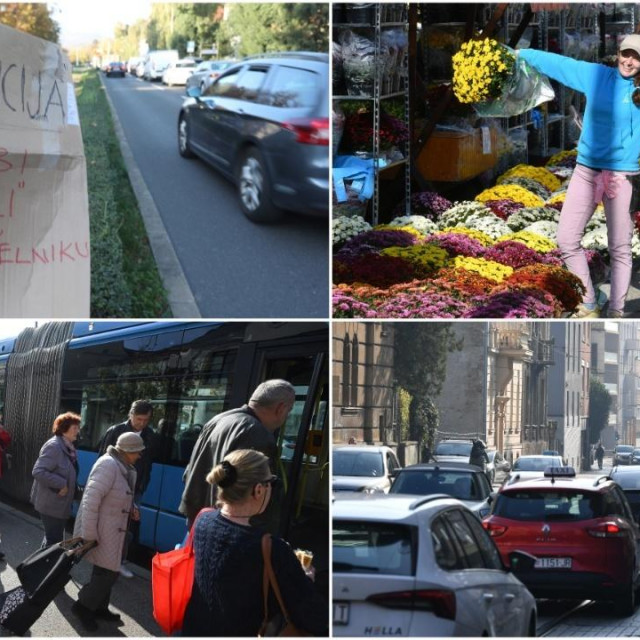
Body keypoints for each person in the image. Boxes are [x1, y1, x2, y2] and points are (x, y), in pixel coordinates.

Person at [518, 35, 640, 318]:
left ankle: (617, 311)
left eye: (636, 57)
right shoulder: (598, 76)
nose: (629, 61)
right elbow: (561, 64)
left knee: (620, 247)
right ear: (618, 54)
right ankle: (588, 304)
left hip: (622, 177)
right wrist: (522, 53)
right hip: (586, 171)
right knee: (566, 240)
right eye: (626, 54)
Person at [182, 449, 327, 637]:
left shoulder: (203, 520)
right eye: (271, 482)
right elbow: (315, 618)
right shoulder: (272, 549)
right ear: (258, 490)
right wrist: (306, 579)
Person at [179, 379, 295, 530]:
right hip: (227, 526)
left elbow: (189, 472)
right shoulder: (258, 434)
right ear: (281, 408)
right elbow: (255, 497)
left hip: (198, 518)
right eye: (289, 410)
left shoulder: (218, 419)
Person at [71, 431, 145, 632]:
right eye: (137, 452)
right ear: (127, 450)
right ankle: (83, 606)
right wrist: (89, 534)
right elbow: (89, 501)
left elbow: (120, 495)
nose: (139, 456)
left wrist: (132, 508)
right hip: (102, 530)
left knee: (107, 570)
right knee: (108, 573)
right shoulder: (108, 465)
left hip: (114, 530)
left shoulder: (122, 465)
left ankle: (99, 607)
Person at [98, 399, 155, 578]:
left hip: (136, 488)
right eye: (139, 419)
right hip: (117, 487)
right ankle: (105, 561)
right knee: (113, 525)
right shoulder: (116, 431)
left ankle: (119, 561)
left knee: (127, 527)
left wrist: (143, 484)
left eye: (146, 420)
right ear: (130, 415)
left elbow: (147, 463)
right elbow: (102, 460)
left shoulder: (150, 434)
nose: (142, 423)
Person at [30, 412, 80, 547]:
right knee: (54, 542)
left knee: (52, 540)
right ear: (64, 429)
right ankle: (41, 566)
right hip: (51, 503)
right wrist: (62, 483)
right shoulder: (54, 446)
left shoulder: (68, 447)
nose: (78, 431)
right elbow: (38, 471)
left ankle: (42, 566)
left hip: (59, 504)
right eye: (75, 428)